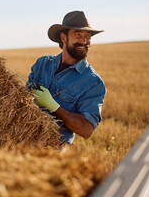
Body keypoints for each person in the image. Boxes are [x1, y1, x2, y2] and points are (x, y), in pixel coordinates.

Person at [27, 10, 106, 144]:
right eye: (78, 35)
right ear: (63, 38)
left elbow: (87, 130)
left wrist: (54, 107)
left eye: (88, 36)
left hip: (53, 152)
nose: (84, 41)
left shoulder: (93, 82)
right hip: (22, 143)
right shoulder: (43, 64)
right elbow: (23, 98)